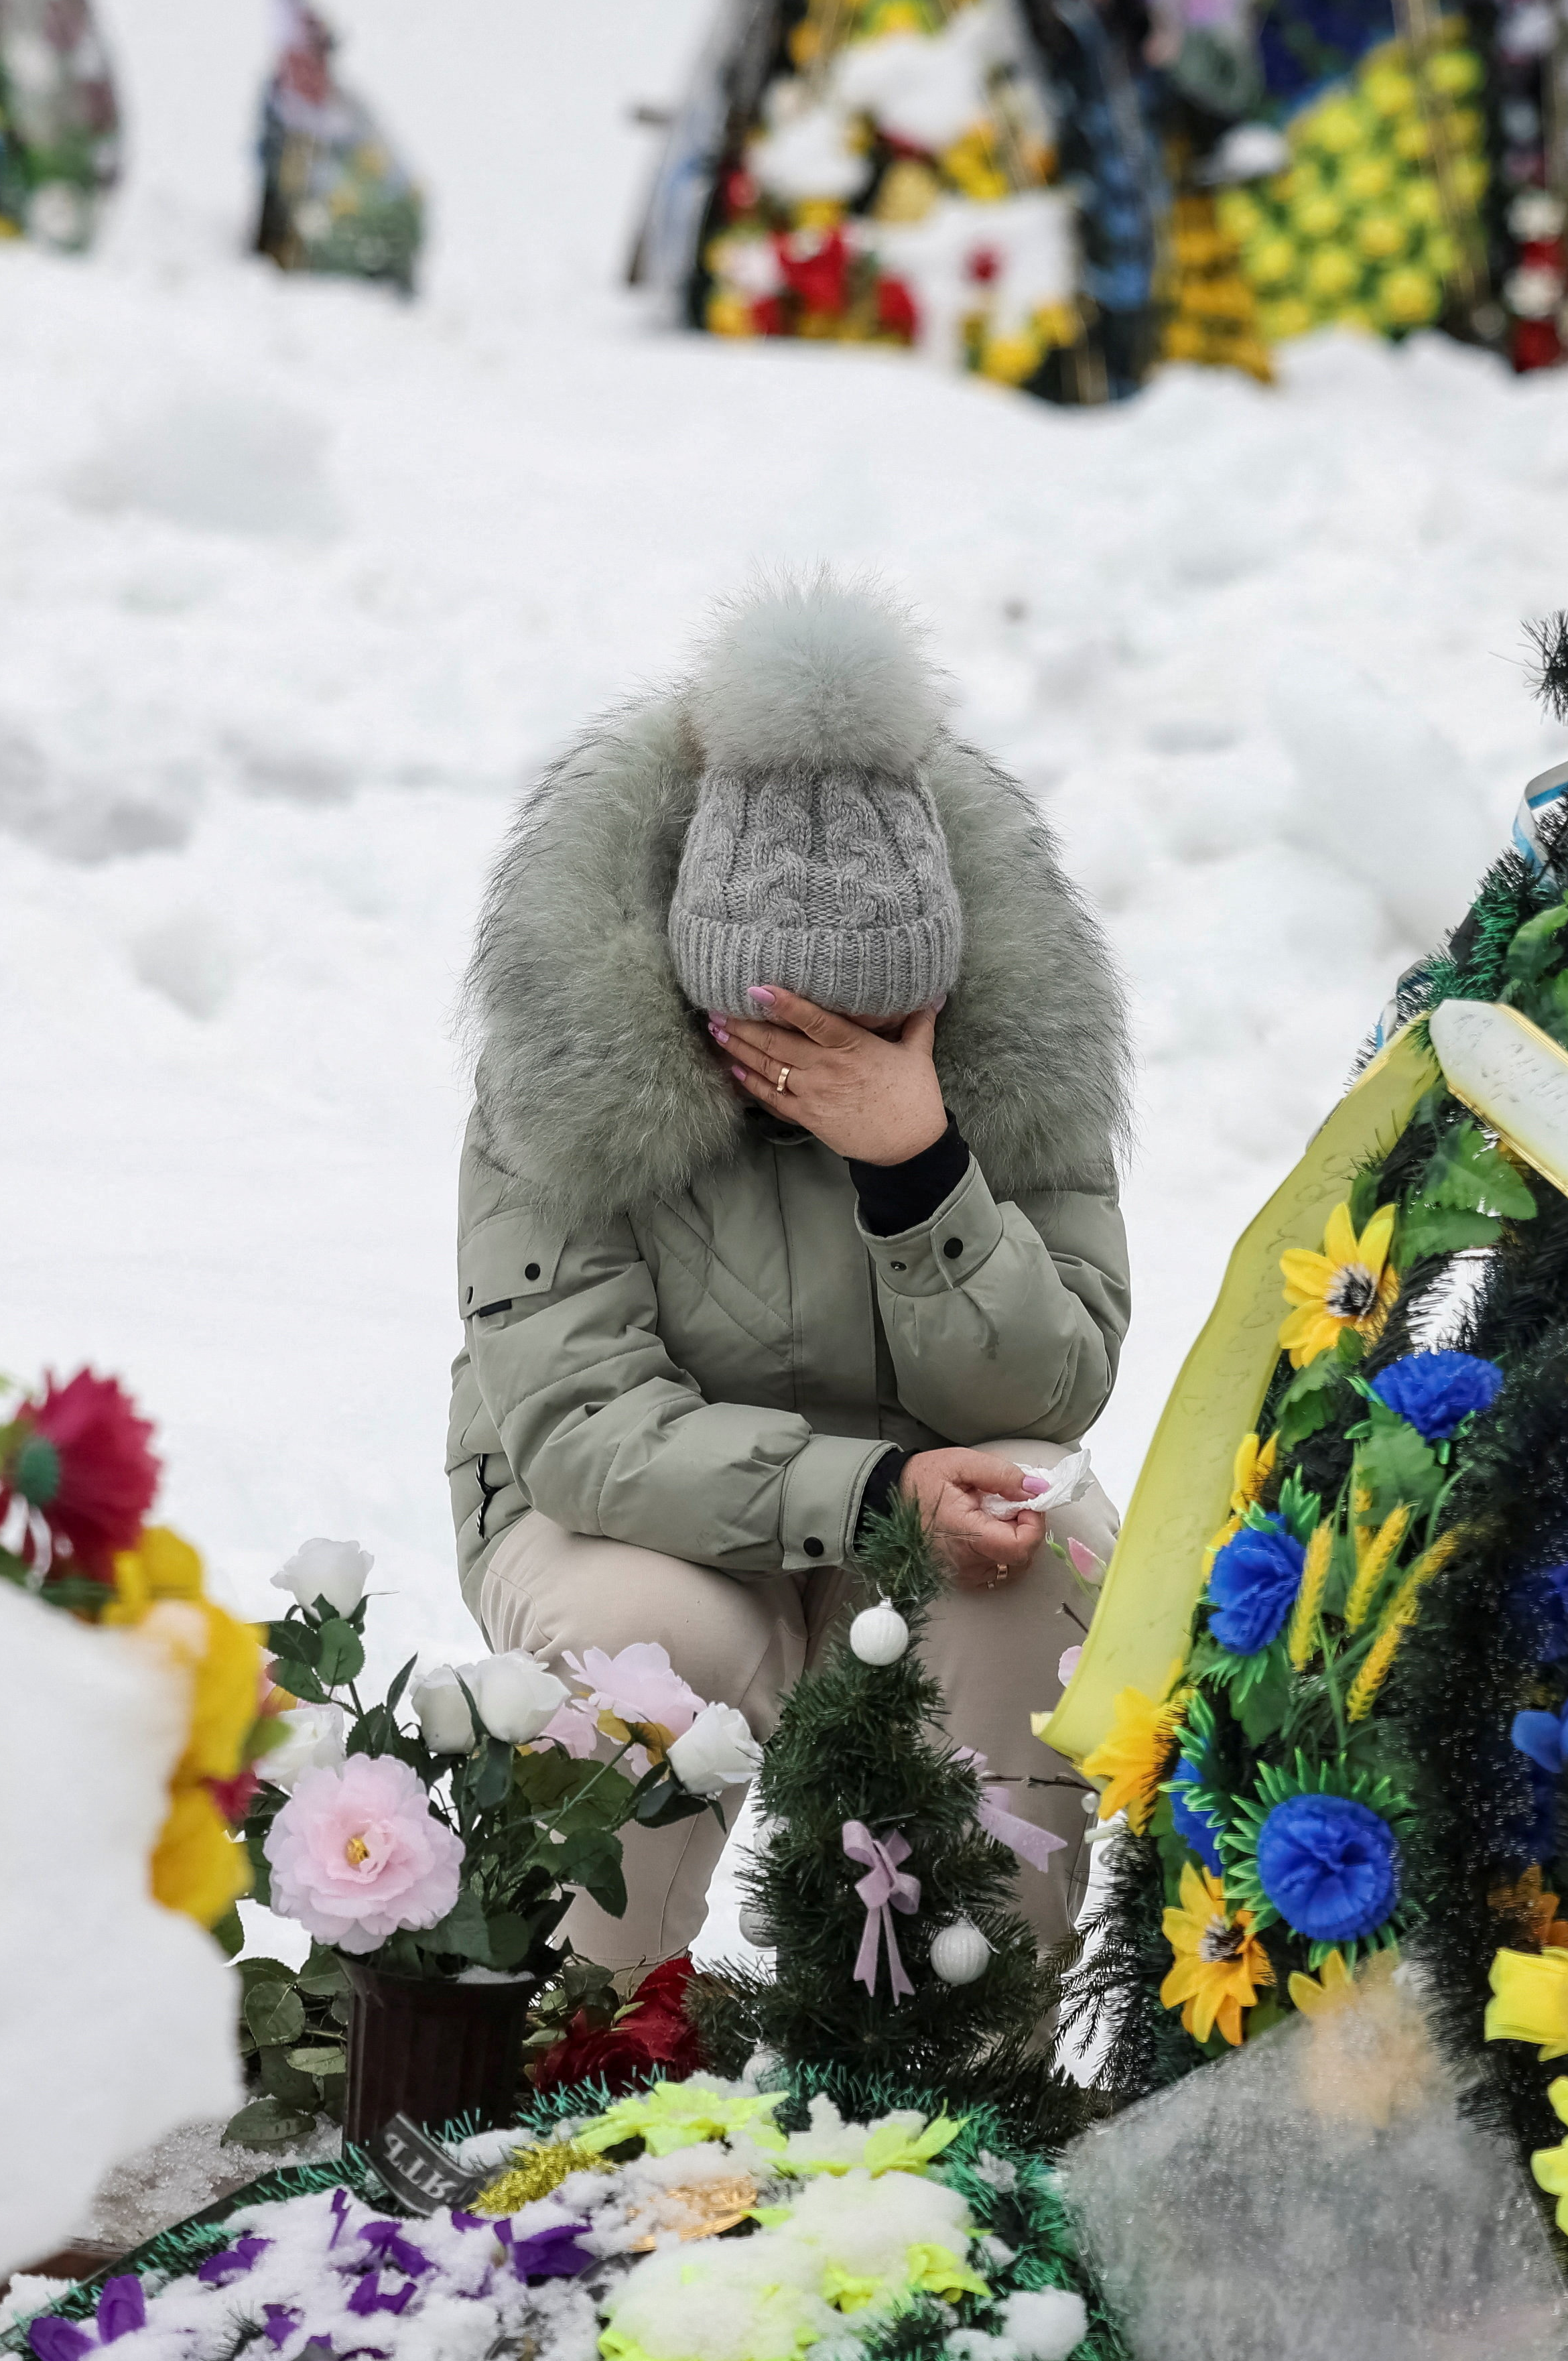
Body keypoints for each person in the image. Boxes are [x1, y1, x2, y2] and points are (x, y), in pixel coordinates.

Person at [448, 579, 1130, 1968]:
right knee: (649, 1638)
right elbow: (583, 1430)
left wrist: (918, 1164)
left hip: (932, 1498)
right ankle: (574, 2023)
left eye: (879, 1032)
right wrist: (872, 1492)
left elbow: (1055, 1382)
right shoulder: (570, 1061)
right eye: (787, 1038)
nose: (831, 1073)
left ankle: (951, 2051)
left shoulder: (1008, 1051)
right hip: (635, 1520)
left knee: (1048, 1559)